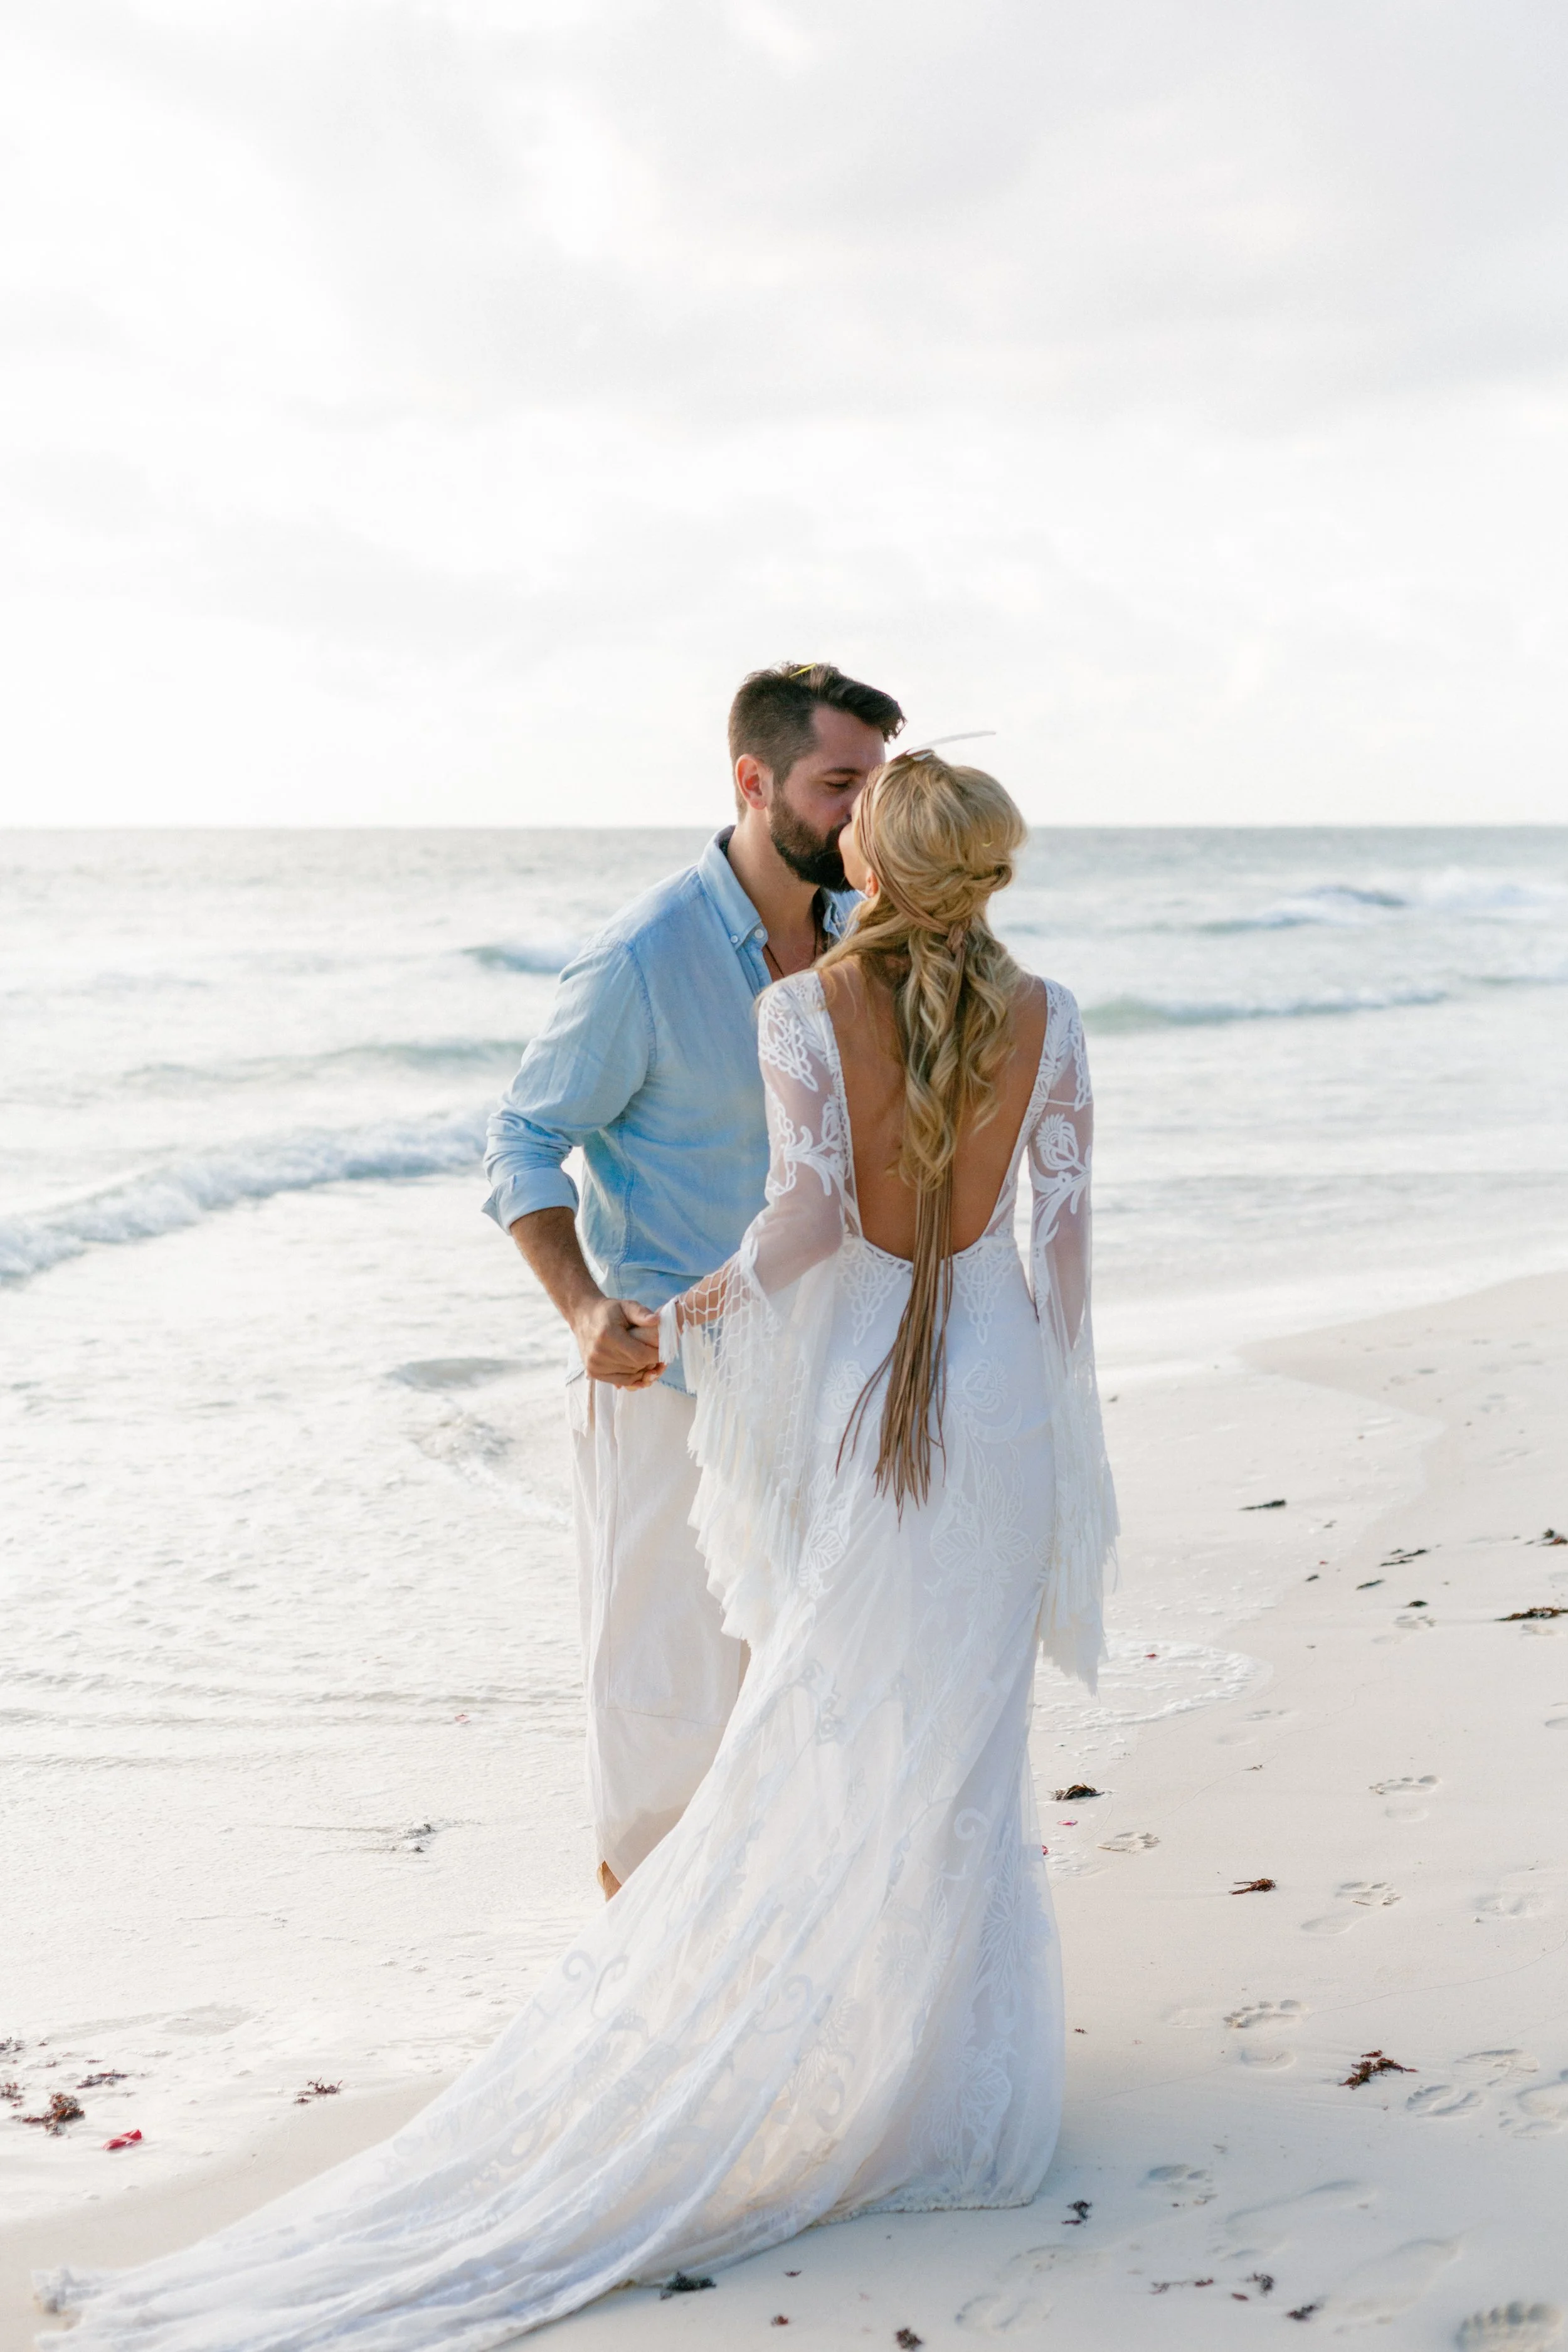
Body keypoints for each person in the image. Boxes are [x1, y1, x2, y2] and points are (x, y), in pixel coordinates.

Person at [38, 751, 1116, 2349]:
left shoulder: (802, 1009)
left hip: (865, 1401)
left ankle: (808, 2053)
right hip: (1000, 1397)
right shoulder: (1055, 1017)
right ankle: (950, 2099)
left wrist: (686, 1313)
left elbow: (808, 1227)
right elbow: (1064, 1251)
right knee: (961, 1742)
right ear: (995, 873)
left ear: (869, 870)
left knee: (820, 1726)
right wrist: (1047, 1409)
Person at [483, 662, 904, 1894]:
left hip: (826, 1382)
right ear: (751, 780)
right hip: (670, 1386)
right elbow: (520, 1139)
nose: (860, 818)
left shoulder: (860, 939)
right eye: (839, 786)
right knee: (662, 1721)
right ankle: (639, 2026)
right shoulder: (640, 957)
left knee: (813, 1701)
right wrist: (578, 1307)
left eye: (875, 788)